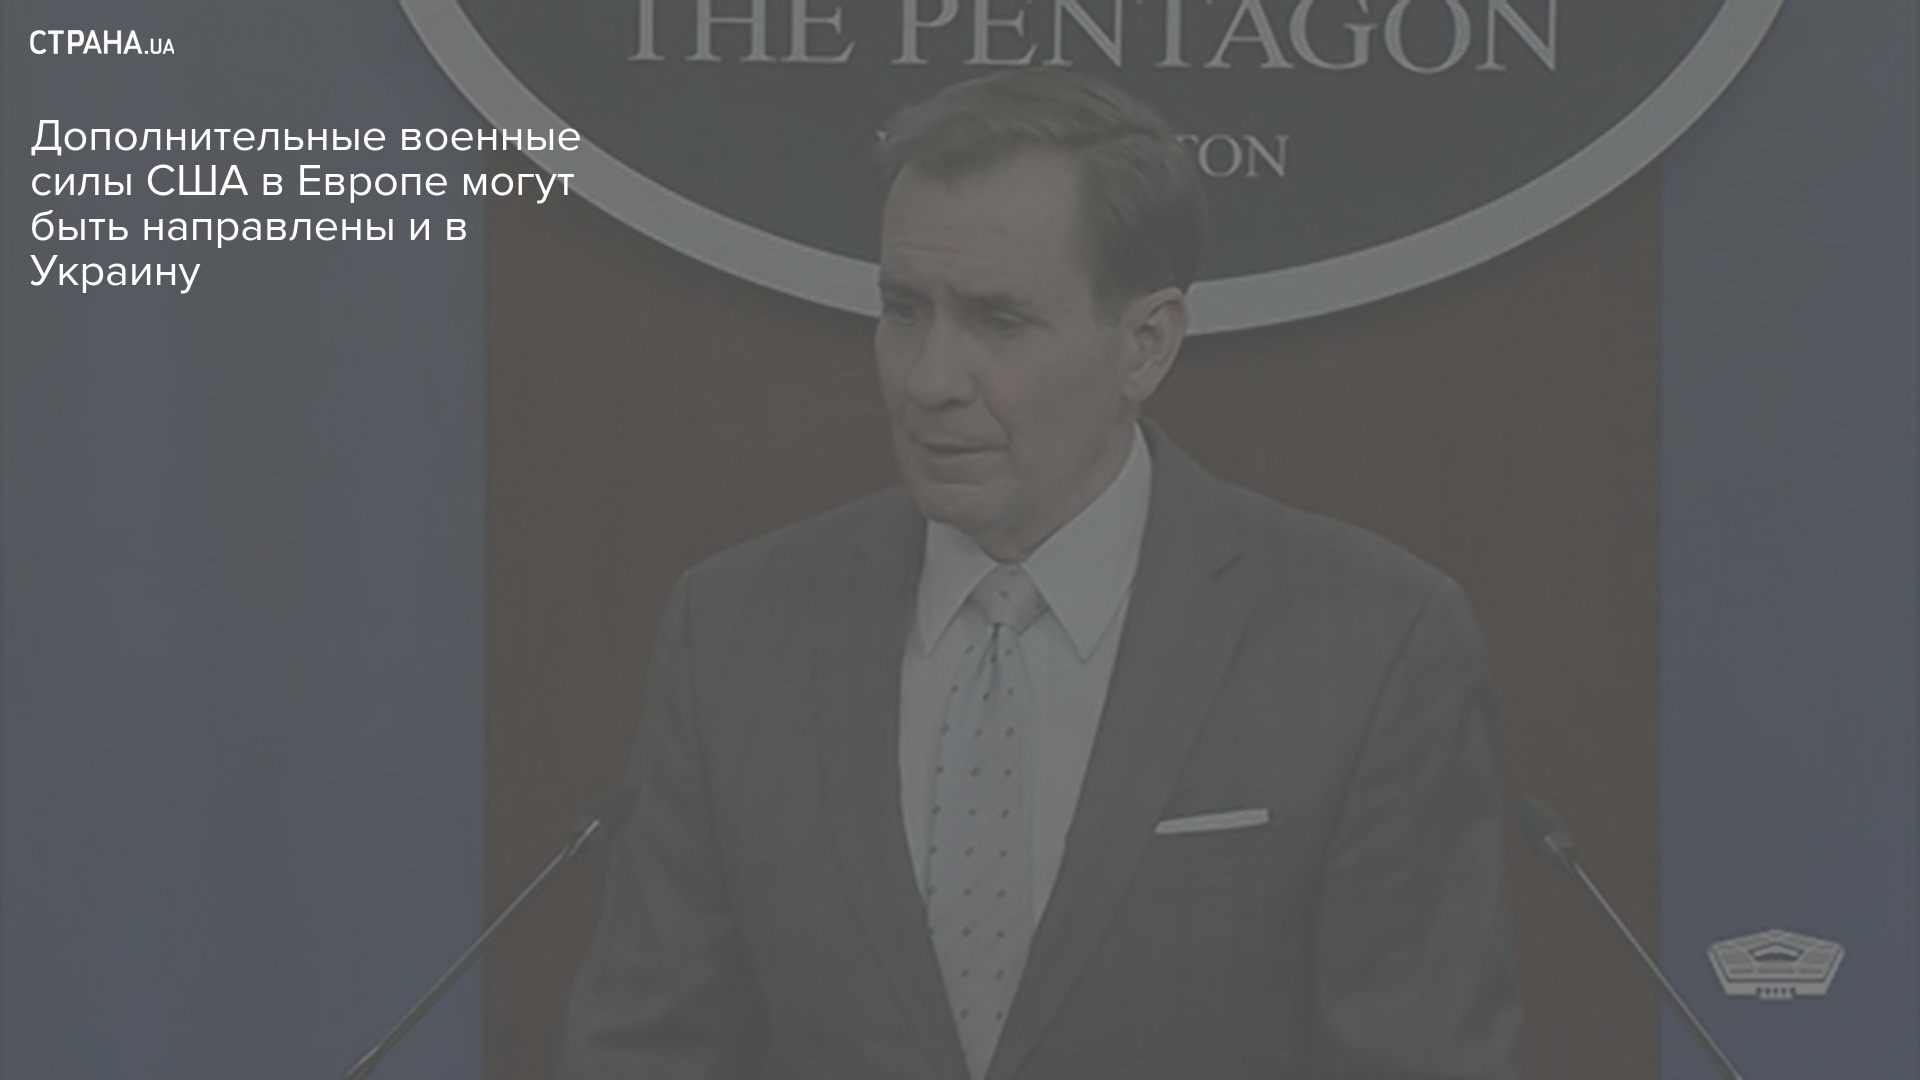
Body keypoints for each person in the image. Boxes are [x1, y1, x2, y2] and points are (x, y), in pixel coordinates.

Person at [558, 69, 1521, 1080]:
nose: (931, 379)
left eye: (1000, 322)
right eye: (904, 310)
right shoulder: (736, 631)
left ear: (1145, 345)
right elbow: (646, 1050)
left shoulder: (1369, 646)